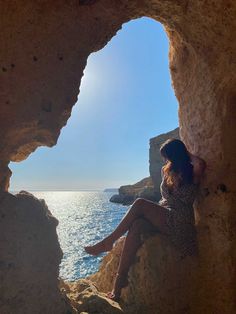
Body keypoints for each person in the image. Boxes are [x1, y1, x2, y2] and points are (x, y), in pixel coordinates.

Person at [84, 138, 206, 301]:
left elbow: (200, 162)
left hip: (180, 220)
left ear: (177, 155)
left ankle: (108, 241)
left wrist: (186, 153)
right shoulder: (167, 170)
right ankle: (117, 288)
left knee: (140, 203)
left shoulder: (193, 169)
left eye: (168, 156)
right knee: (136, 225)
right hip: (165, 213)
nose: (166, 160)